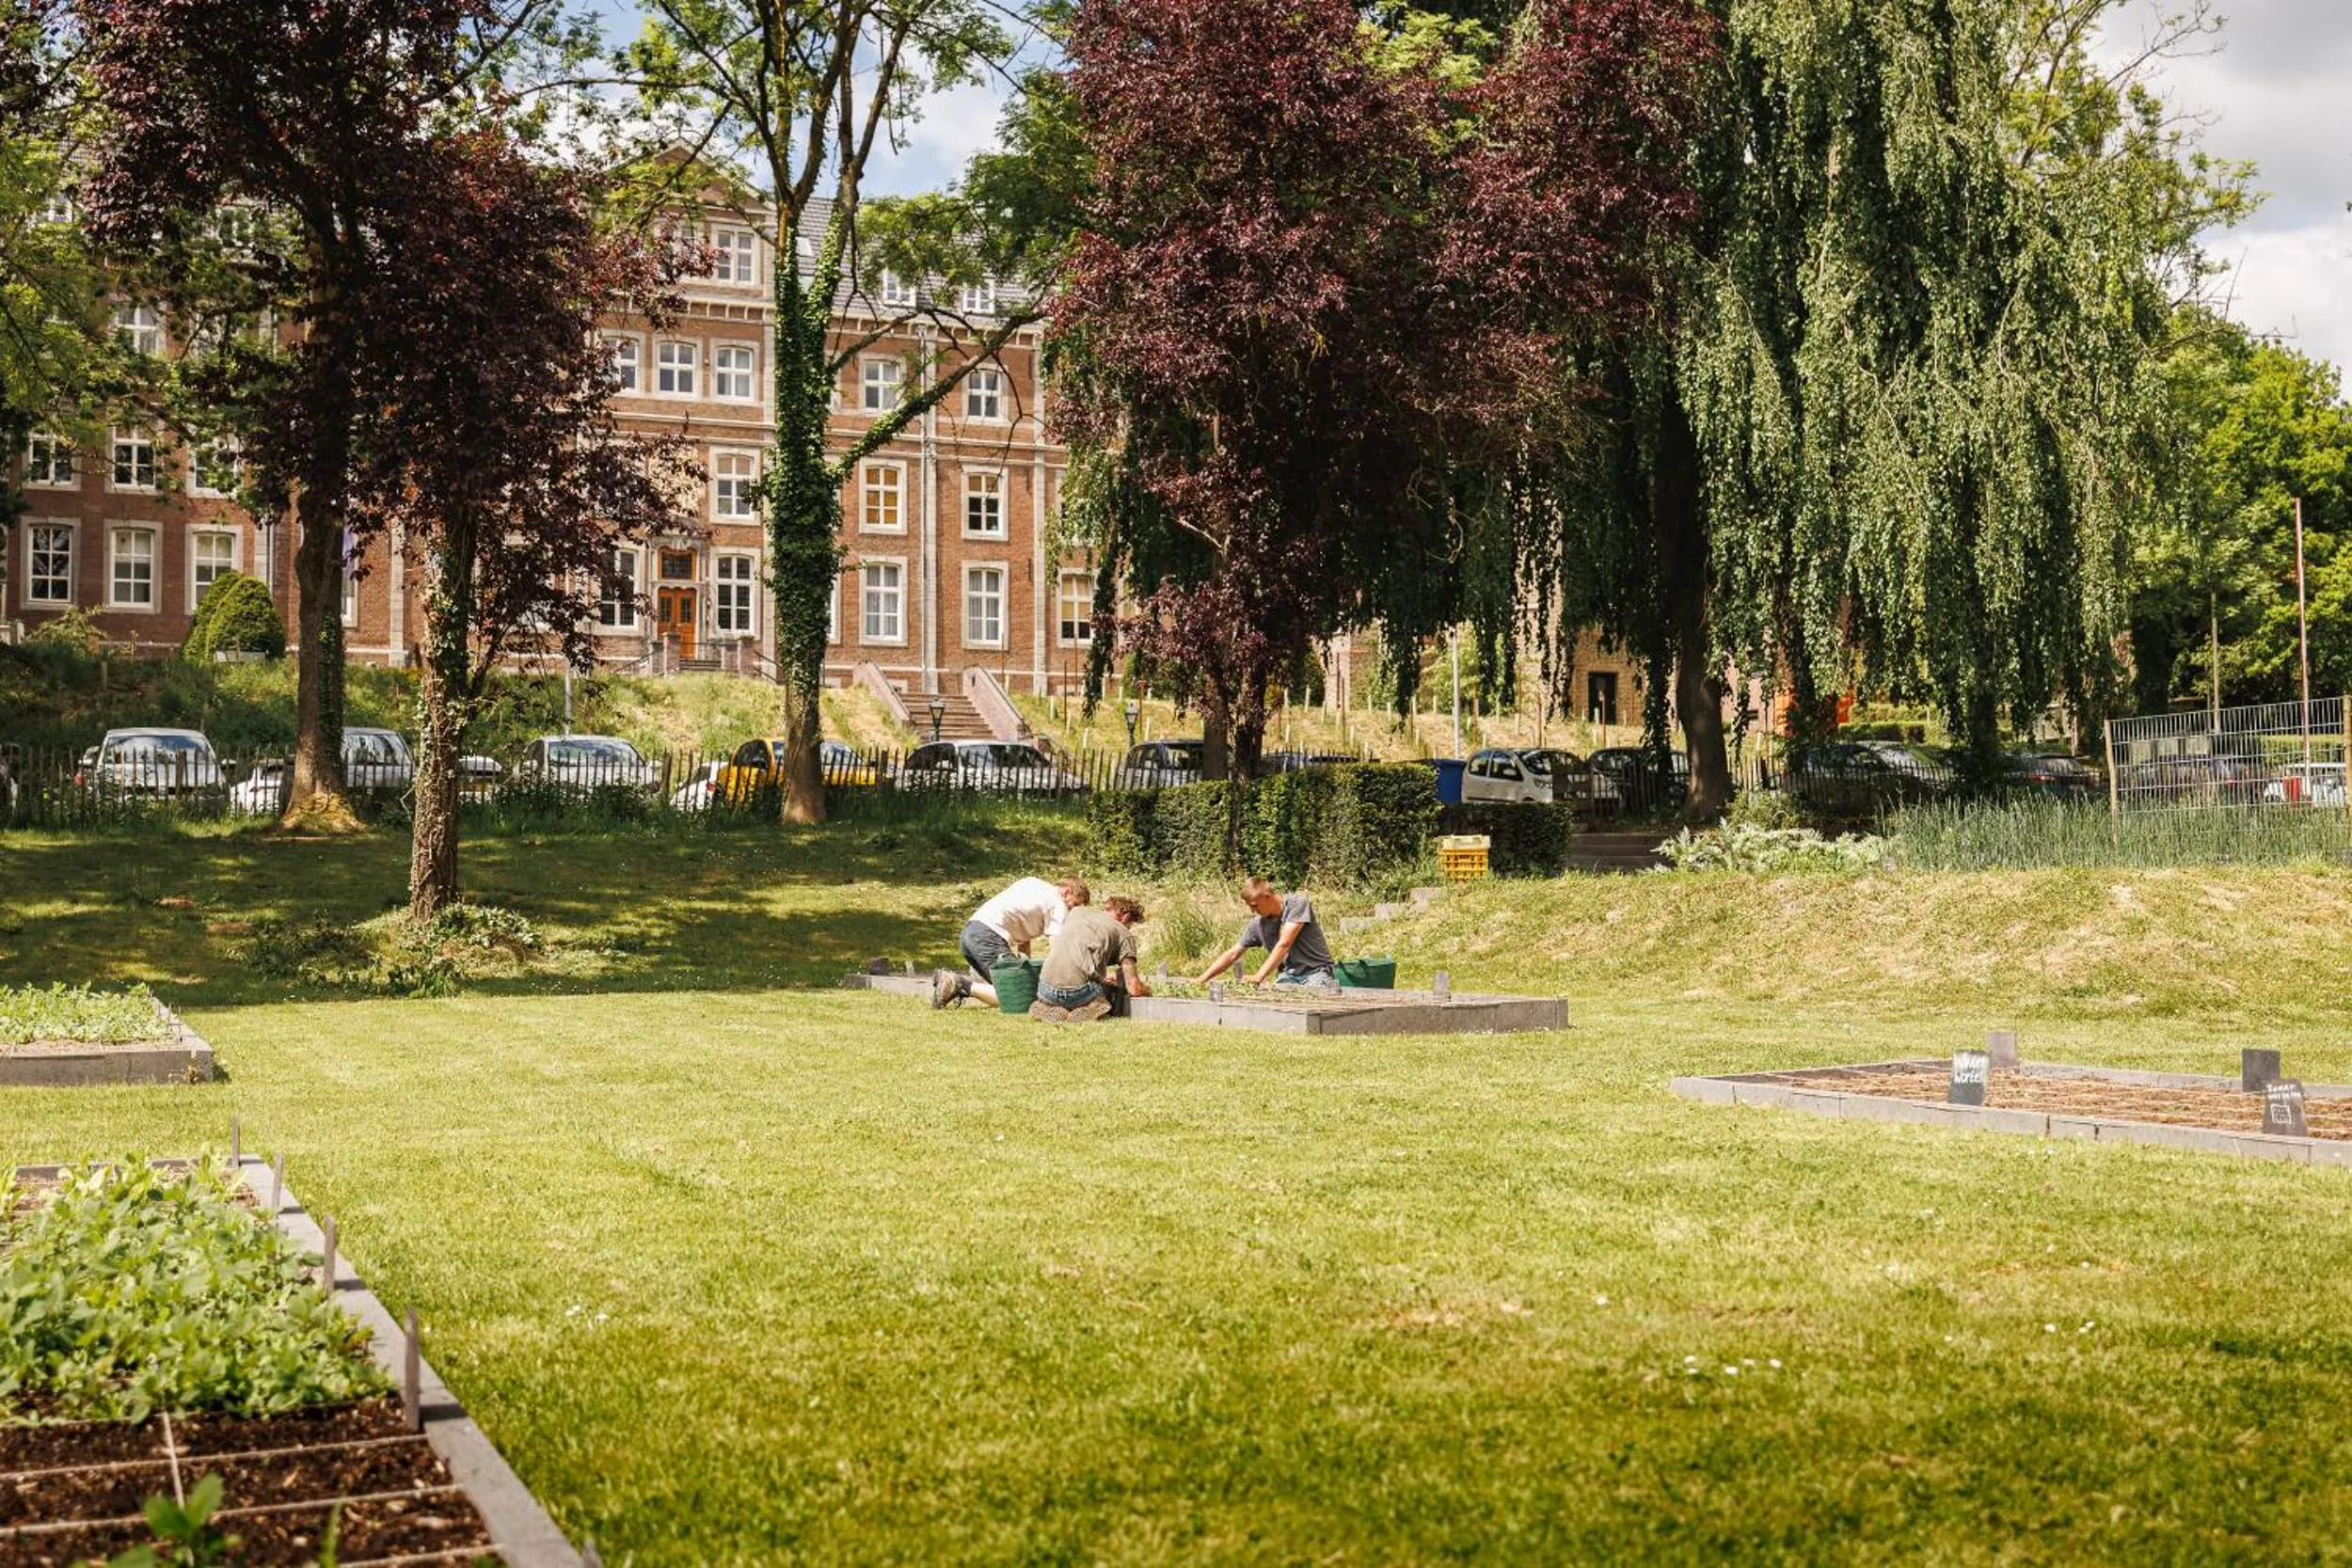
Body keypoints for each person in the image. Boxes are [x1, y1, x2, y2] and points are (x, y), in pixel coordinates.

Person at [934, 876, 1087, 1007]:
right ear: (1067, 891)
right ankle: (959, 984)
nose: (1072, 910)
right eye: (1075, 904)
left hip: (970, 931)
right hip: (987, 937)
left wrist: (1025, 974)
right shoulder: (1058, 903)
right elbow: (1056, 950)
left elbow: (1024, 940)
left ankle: (977, 978)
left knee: (1021, 987)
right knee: (1018, 998)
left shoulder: (1033, 884)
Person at [1197, 876, 1337, 988]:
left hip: (1316, 973)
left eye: (1255, 905)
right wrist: (1201, 979)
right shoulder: (1258, 924)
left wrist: (1259, 976)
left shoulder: (1297, 904)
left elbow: (1284, 943)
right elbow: (1233, 953)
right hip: (1289, 976)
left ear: (1267, 896)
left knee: (1312, 1002)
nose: (1252, 910)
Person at [1032, 895, 1151, 1023]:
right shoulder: (1124, 934)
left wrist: (1101, 977)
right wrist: (1147, 990)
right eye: (1130, 924)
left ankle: (1049, 1008)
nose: (1128, 928)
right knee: (1102, 1003)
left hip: (1044, 989)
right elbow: (1133, 988)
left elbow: (1077, 953)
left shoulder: (1077, 912)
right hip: (1077, 993)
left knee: (1062, 995)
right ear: (1126, 917)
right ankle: (1088, 1010)